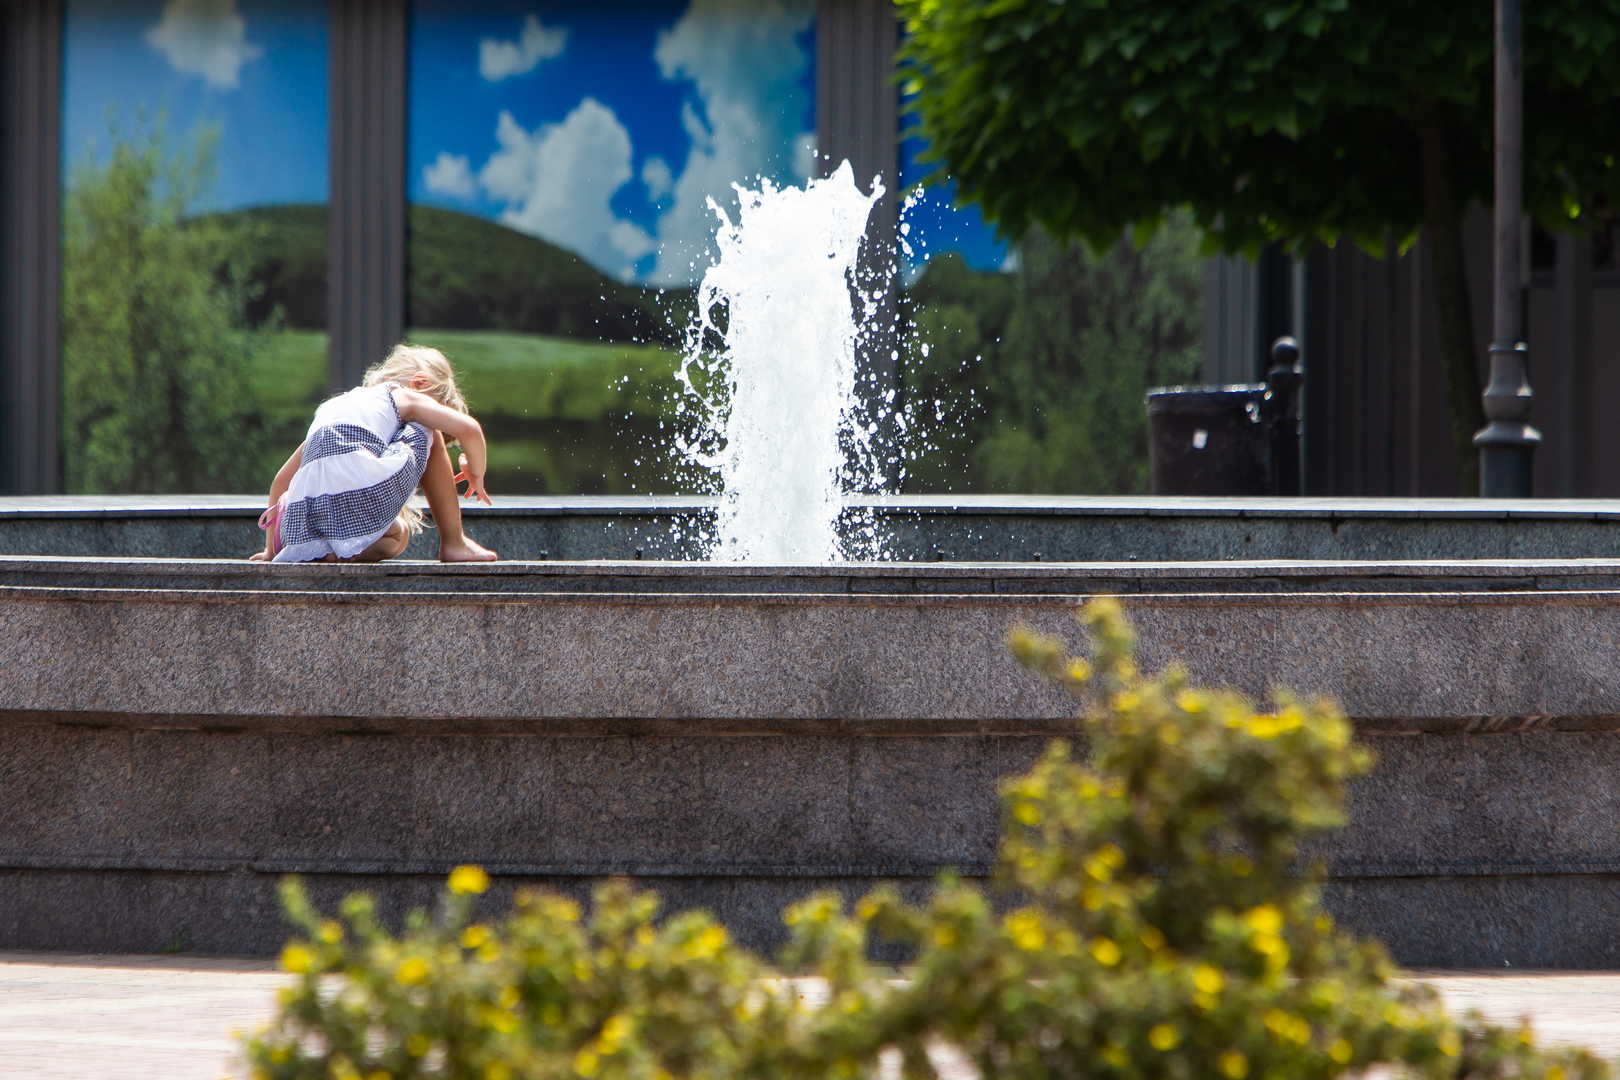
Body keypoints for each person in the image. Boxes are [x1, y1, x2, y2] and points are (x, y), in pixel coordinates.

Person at [251, 344, 498, 563]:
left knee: (392, 531)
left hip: (308, 513)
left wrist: (270, 551)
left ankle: (328, 552)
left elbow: (280, 482)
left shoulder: (339, 407)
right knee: (397, 535)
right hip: (358, 491)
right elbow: (470, 429)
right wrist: (475, 472)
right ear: (419, 383)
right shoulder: (403, 395)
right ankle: (454, 543)